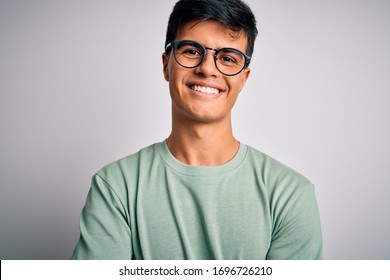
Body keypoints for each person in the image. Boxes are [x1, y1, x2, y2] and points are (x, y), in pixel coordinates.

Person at [72, 0, 322, 260]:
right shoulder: (116, 187)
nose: (207, 68)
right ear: (166, 64)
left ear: (243, 78)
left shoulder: (290, 195)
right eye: (191, 51)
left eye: (227, 58)